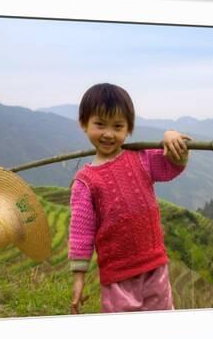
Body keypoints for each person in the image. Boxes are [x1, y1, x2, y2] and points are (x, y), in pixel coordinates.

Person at [68, 82, 191, 314]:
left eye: (118, 126)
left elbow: (172, 166)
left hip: (155, 266)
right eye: (99, 124)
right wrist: (78, 278)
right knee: (124, 334)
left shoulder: (141, 159)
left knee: (162, 327)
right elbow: (80, 233)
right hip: (117, 275)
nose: (108, 133)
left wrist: (172, 137)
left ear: (129, 129)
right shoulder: (85, 181)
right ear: (84, 124)